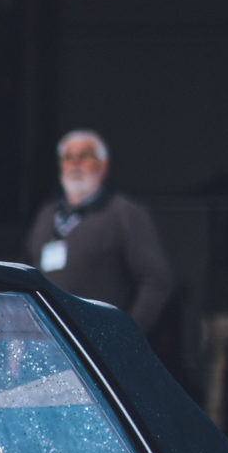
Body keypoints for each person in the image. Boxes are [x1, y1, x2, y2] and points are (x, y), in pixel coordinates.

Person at [23, 129, 173, 335]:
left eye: (83, 156)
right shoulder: (47, 214)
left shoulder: (124, 212)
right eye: (68, 157)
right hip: (50, 342)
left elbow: (156, 280)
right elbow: (30, 278)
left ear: (103, 166)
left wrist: (127, 334)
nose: (74, 163)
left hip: (99, 342)